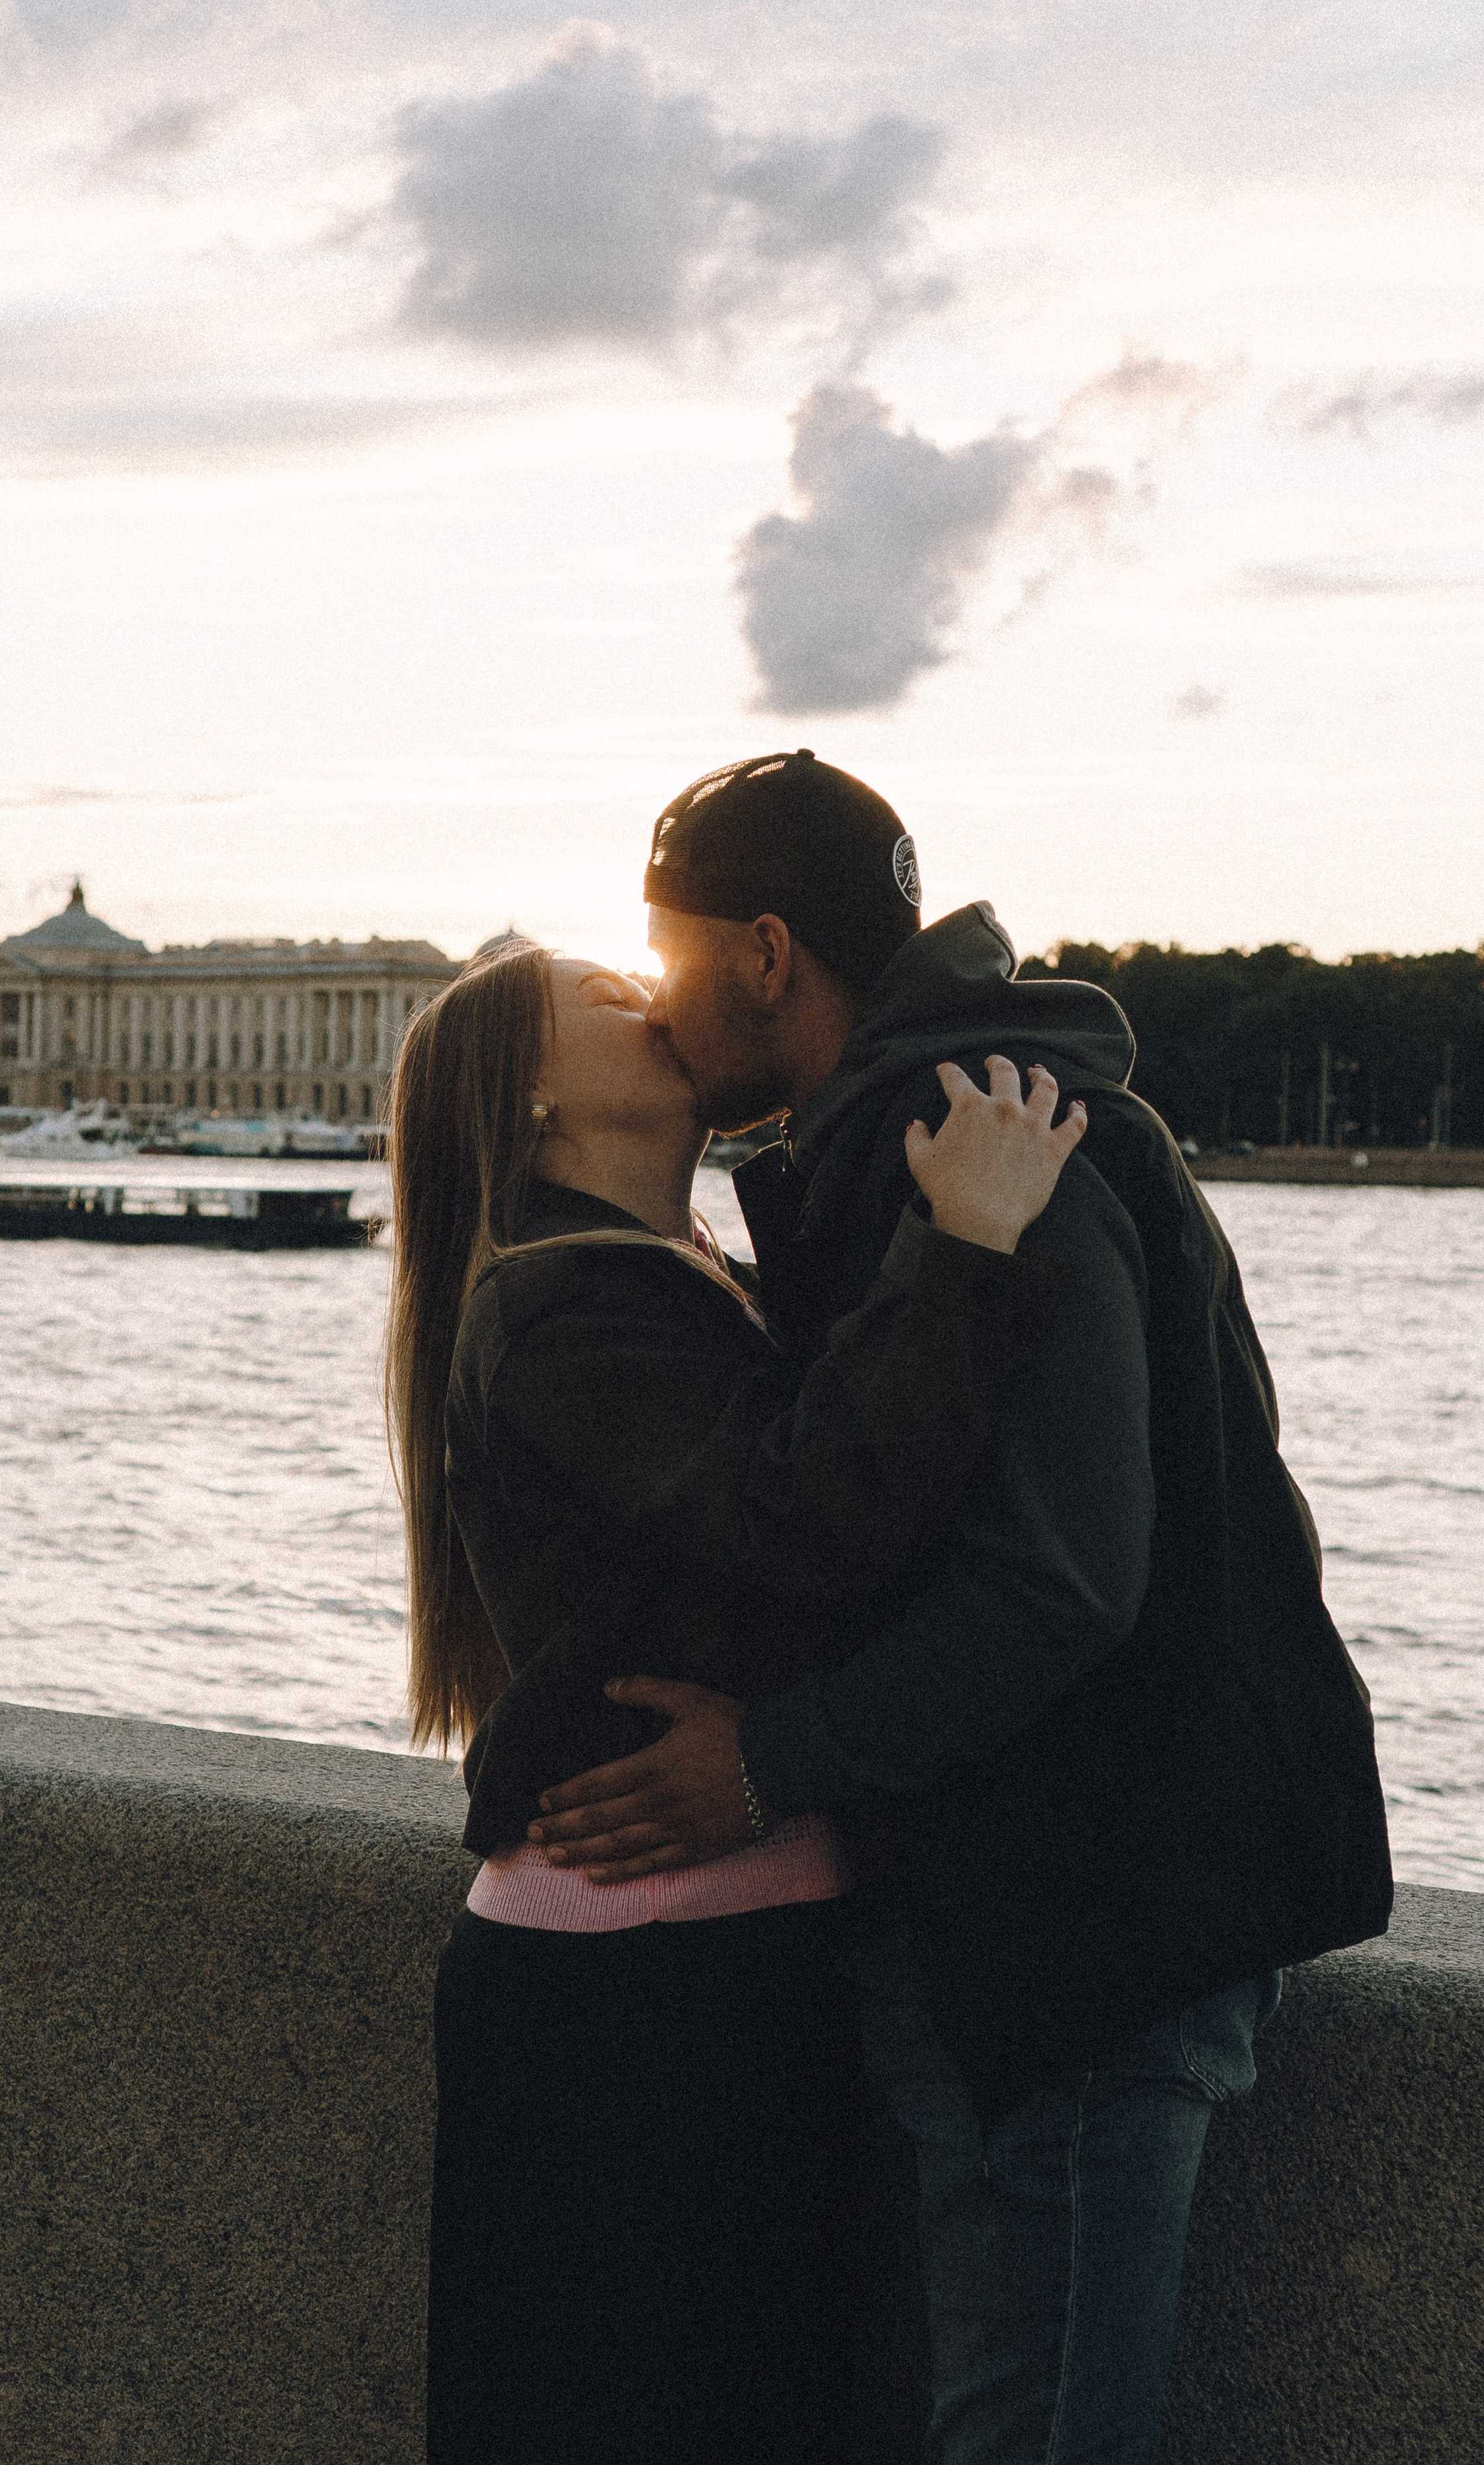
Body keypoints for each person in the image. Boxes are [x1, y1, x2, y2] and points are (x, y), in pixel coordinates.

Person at [529, 749, 1396, 2464]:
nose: (652, 997)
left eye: (668, 949)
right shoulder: (949, 1134)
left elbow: (1061, 1581)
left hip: (1081, 1917)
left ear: (767, 952)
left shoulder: (990, 1144)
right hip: (1054, 1902)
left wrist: (769, 1763)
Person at [384, 937, 1088, 2465]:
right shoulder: (564, 1308)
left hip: (703, 1964)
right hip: (632, 1995)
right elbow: (811, 1519)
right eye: (605, 1000)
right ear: (529, 1115)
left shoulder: (670, 1277)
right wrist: (968, 1244)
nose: (653, 996)